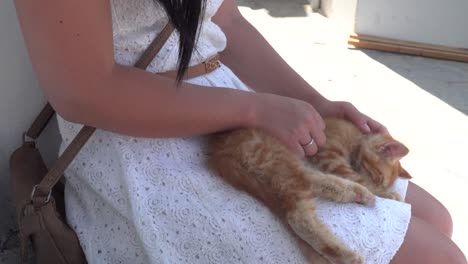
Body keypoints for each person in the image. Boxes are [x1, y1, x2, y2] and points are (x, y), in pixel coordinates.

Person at [13, 0, 467, 263]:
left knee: (438, 219)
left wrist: (316, 104)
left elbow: (223, 19)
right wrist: (255, 107)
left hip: (236, 111)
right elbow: (86, 90)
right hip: (142, 147)